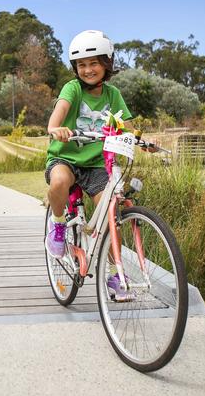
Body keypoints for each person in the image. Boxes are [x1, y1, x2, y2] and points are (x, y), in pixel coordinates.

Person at [45, 30, 143, 300]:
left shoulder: (113, 95)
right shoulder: (72, 89)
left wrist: (142, 140)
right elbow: (60, 111)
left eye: (94, 63)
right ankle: (58, 225)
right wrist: (56, 128)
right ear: (75, 68)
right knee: (59, 182)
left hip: (97, 165)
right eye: (82, 65)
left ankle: (114, 275)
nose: (88, 70)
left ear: (107, 64)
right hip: (66, 157)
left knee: (113, 217)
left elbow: (127, 127)